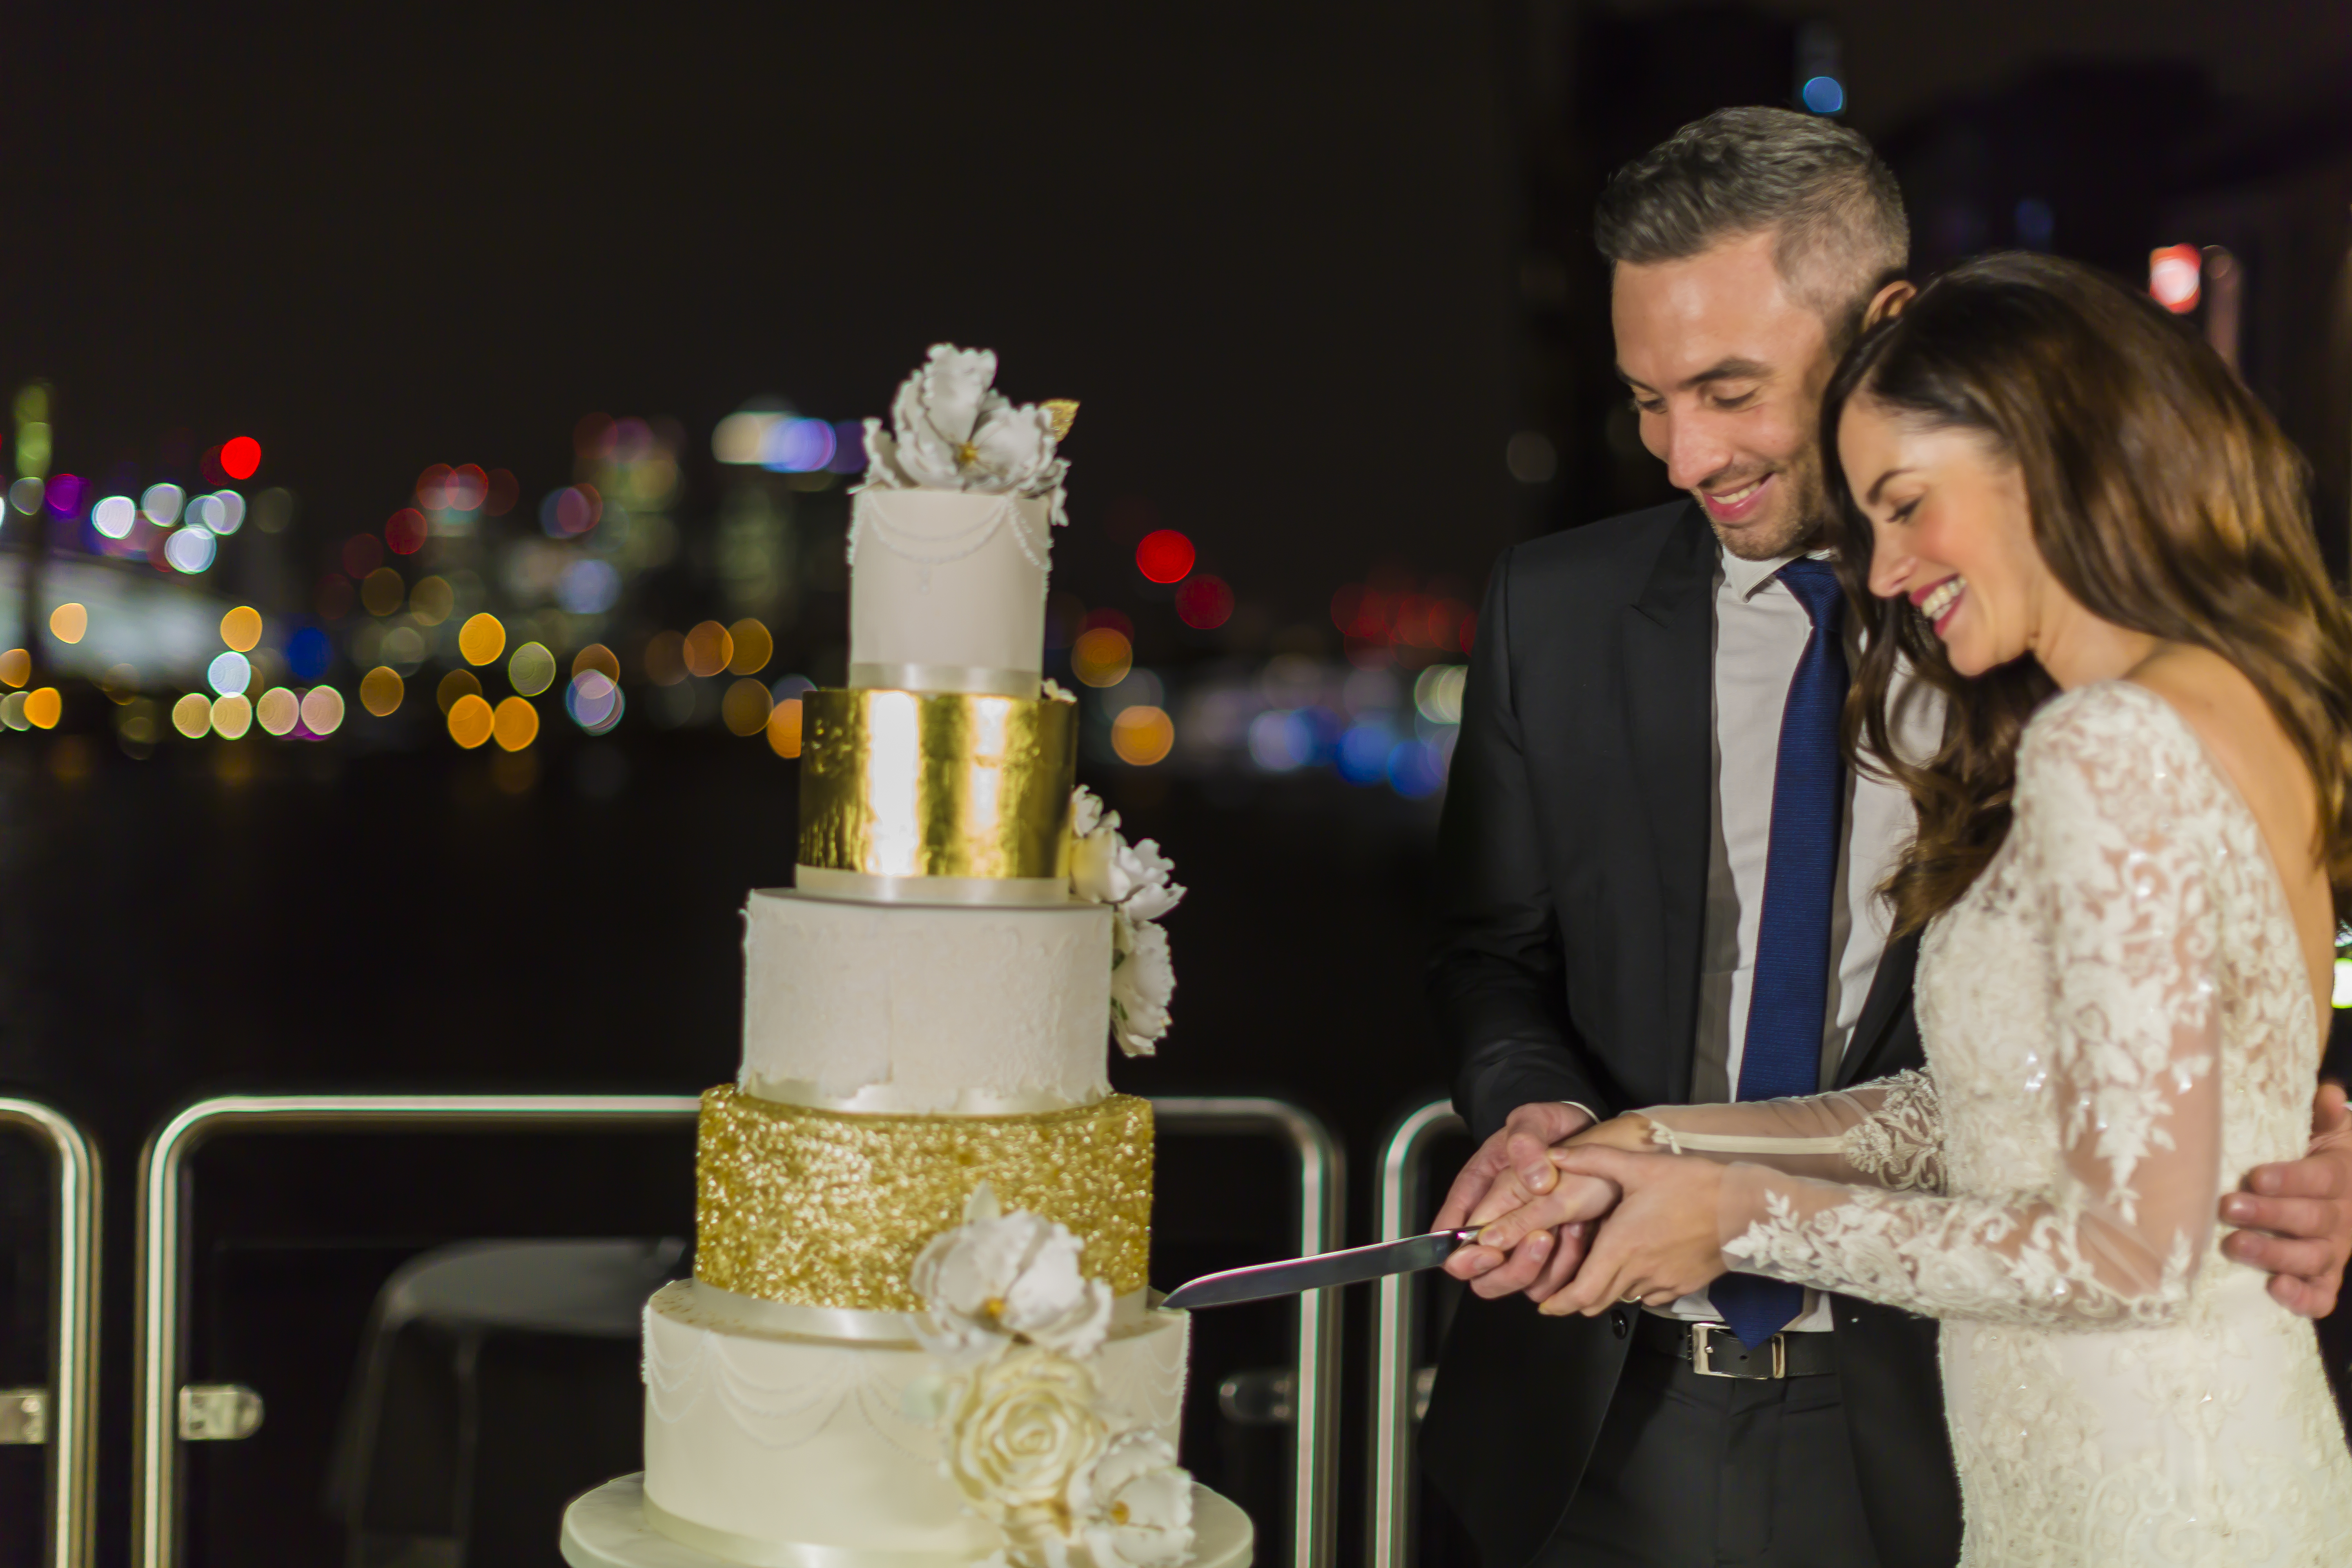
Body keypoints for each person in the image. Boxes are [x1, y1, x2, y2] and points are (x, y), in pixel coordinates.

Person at [1421, 107, 2352, 1568]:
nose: (1683, 454)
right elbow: (1496, 952)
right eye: (1648, 400)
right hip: (1613, 1426)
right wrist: (1620, 1139)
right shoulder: (1557, 609)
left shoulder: (2076, 677)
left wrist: (2312, 1135)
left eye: (1730, 389)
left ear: (1891, 326)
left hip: (1961, 1441)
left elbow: (2213, 1093)